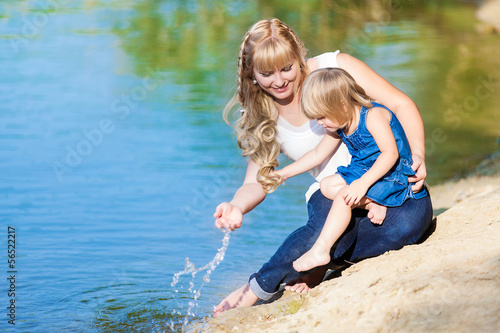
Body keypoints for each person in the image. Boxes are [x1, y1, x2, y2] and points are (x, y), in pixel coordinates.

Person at [213, 18, 432, 317]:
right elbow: (256, 181)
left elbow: (400, 105)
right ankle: (256, 288)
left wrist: (417, 153)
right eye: (266, 73)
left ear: (299, 56)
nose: (278, 81)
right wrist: (236, 206)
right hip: (332, 193)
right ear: (251, 74)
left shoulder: (334, 70)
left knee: (407, 226)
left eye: (287, 68)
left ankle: (324, 260)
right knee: (324, 226)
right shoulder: (263, 114)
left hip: (385, 182)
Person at [274, 68, 429, 273]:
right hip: (367, 171)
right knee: (326, 185)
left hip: (392, 174)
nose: (320, 123)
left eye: (322, 117)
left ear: (341, 105)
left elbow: (390, 154)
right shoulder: (340, 123)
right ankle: (374, 202)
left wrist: (361, 184)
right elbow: (317, 154)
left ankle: (321, 249)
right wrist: (284, 173)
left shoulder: (372, 115)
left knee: (344, 197)